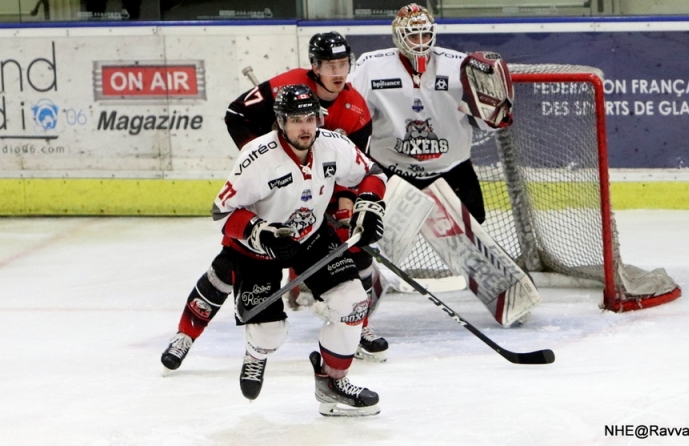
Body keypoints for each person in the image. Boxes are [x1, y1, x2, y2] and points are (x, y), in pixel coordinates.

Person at [160, 32, 389, 376]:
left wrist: (360, 202)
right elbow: (237, 115)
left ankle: (357, 324)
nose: (338, 72)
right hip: (268, 203)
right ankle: (185, 336)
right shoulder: (287, 89)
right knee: (226, 270)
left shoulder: (354, 109)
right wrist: (270, 163)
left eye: (343, 64)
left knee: (347, 244)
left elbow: (364, 168)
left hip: (322, 186)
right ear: (315, 67)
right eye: (330, 65)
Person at [213, 84, 386, 415]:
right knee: (268, 334)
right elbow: (222, 212)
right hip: (258, 250)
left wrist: (367, 202)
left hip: (311, 236)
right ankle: (256, 353)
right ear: (280, 121)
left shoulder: (333, 145)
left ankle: (332, 383)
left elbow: (372, 173)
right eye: (295, 120)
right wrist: (260, 233)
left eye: (309, 118)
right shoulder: (257, 157)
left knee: (352, 301)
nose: (305, 127)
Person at [347, 3, 513, 225]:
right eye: (413, 36)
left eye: (425, 34)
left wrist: (495, 114)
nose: (421, 42)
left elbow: (487, 123)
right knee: (375, 238)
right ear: (398, 36)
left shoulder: (459, 67)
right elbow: (354, 120)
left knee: (474, 243)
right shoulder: (370, 67)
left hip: (452, 169)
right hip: (391, 171)